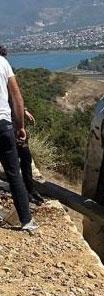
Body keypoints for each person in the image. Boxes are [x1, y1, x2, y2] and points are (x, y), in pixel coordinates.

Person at [0, 46, 37, 231]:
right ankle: (26, 221)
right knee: (14, 174)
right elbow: (17, 99)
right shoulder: (3, 63)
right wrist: (20, 126)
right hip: (4, 126)